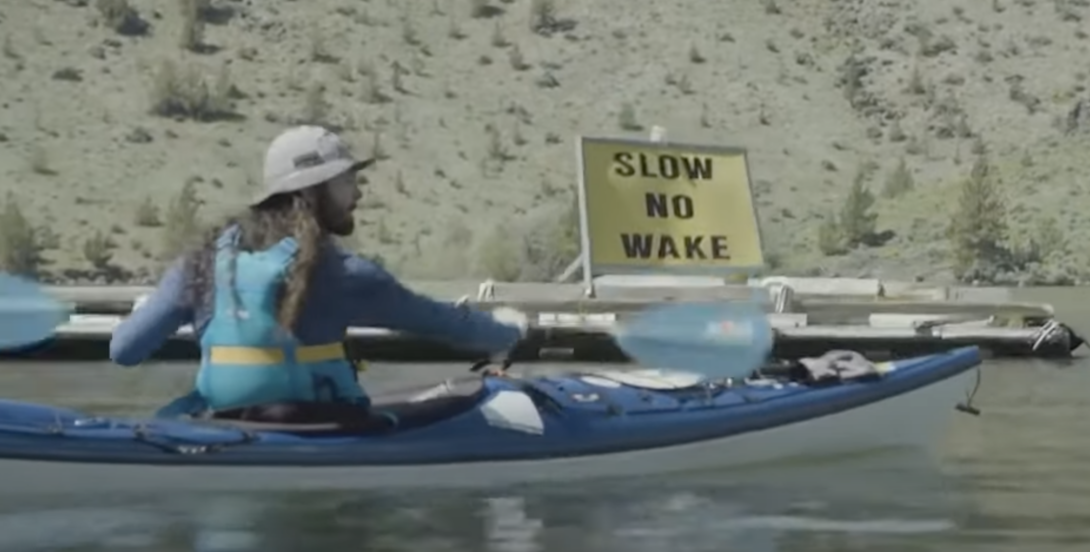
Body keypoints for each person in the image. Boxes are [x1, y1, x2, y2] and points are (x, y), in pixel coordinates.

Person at [109, 125, 528, 428]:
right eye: (348, 181)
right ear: (312, 192)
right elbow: (443, 322)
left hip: (222, 422)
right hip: (318, 426)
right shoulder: (344, 272)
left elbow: (124, 351)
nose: (358, 194)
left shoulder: (201, 261)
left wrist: (151, 309)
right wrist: (507, 329)